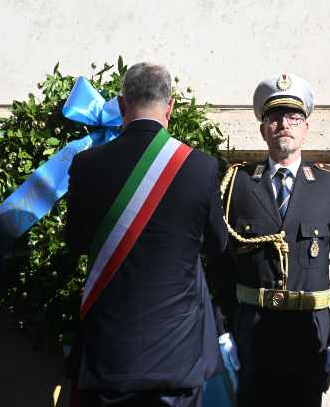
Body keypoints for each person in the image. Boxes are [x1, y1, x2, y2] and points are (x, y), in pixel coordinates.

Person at [66, 63, 228, 407]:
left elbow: (76, 243)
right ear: (171, 106)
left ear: (122, 105)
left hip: (109, 361)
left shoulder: (86, 165)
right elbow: (219, 245)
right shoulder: (200, 167)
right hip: (177, 361)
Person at [212, 73, 330, 407]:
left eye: (294, 118)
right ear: (264, 128)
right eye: (275, 117)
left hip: (310, 336)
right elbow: (221, 264)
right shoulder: (239, 184)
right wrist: (223, 332)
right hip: (251, 333)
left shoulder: (328, 185)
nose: (284, 125)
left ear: (305, 128)